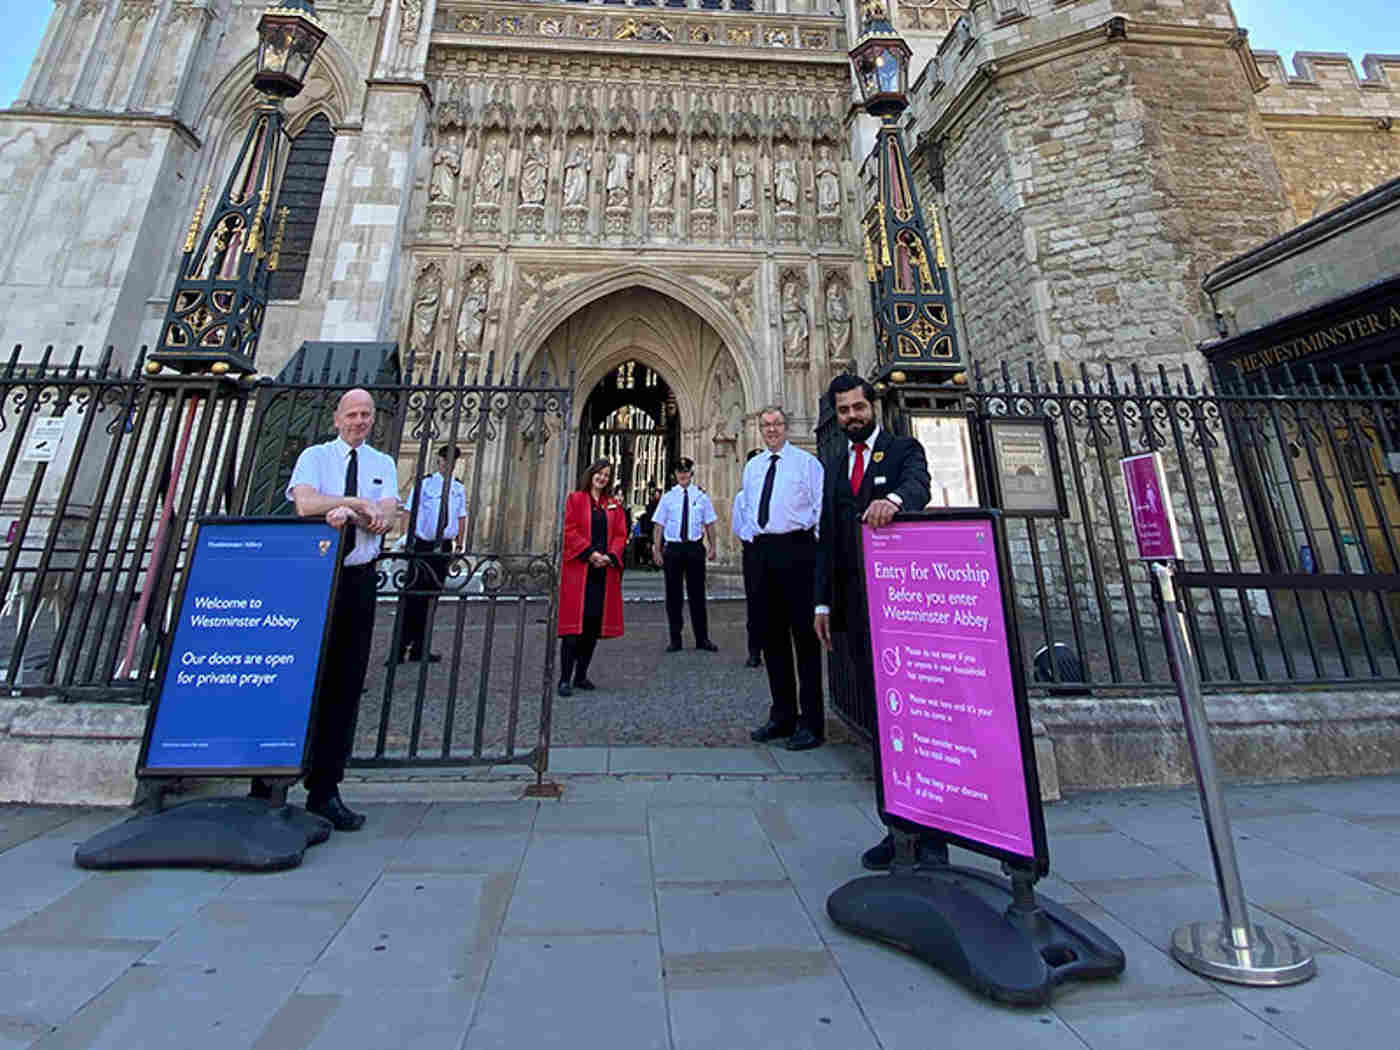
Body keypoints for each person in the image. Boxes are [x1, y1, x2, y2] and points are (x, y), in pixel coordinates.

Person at [812, 374, 935, 870]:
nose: (852, 417)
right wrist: (822, 603)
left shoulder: (904, 449)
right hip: (855, 610)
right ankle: (897, 825)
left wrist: (896, 502)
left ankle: (931, 833)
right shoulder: (837, 464)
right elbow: (828, 538)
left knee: (913, 720)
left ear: (872, 406)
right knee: (880, 724)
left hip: (900, 611)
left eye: (858, 408)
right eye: (843, 411)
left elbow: (919, 486)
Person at [283, 388, 398, 831]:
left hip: (356, 579)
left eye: (366, 414)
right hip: (312, 579)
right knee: (298, 674)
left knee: (346, 682)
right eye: (352, 414)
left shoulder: (382, 464)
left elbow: (386, 513)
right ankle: (269, 778)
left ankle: (325, 788)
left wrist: (367, 513)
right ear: (337, 418)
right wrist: (351, 503)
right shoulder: (315, 457)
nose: (359, 421)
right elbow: (305, 504)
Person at [742, 406, 826, 751]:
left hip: (797, 550)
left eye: (776, 424)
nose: (771, 430)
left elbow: (820, 509)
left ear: (787, 427)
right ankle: (783, 716)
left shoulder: (807, 464)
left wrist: (816, 556)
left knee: (804, 639)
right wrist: (752, 539)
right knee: (771, 637)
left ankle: (812, 722)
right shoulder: (754, 466)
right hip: (763, 552)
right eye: (765, 425)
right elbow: (748, 506)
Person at [557, 458, 627, 696]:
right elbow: (569, 530)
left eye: (607, 475)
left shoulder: (613, 505)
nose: (602, 478)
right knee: (572, 628)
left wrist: (610, 555)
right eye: (599, 473)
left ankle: (581, 675)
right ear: (591, 474)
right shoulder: (575, 500)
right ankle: (564, 678)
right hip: (580, 570)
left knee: (591, 626)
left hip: (601, 573)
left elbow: (620, 534)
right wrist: (590, 553)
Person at [395, 445, 467, 665]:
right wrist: (406, 539)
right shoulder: (425, 484)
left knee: (432, 598)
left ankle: (420, 647)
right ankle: (400, 647)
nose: (449, 464)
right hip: (423, 546)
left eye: (452, 462)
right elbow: (409, 511)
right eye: (446, 460)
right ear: (439, 461)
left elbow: (461, 516)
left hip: (444, 547)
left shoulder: (458, 488)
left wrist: (460, 544)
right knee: (412, 597)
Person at [651, 457, 718, 652]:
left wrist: (713, 546)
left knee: (698, 595)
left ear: (691, 473)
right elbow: (659, 525)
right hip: (674, 550)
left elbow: (710, 524)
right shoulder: (668, 498)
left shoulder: (701, 497)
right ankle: (675, 639)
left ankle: (702, 639)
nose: (682, 475)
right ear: (675, 474)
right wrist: (657, 549)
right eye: (679, 472)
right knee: (673, 596)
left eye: (686, 471)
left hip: (695, 549)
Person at [731, 448, 765, 668]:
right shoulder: (742, 497)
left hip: (778, 547)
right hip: (753, 550)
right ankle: (754, 650)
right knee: (755, 601)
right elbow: (737, 525)